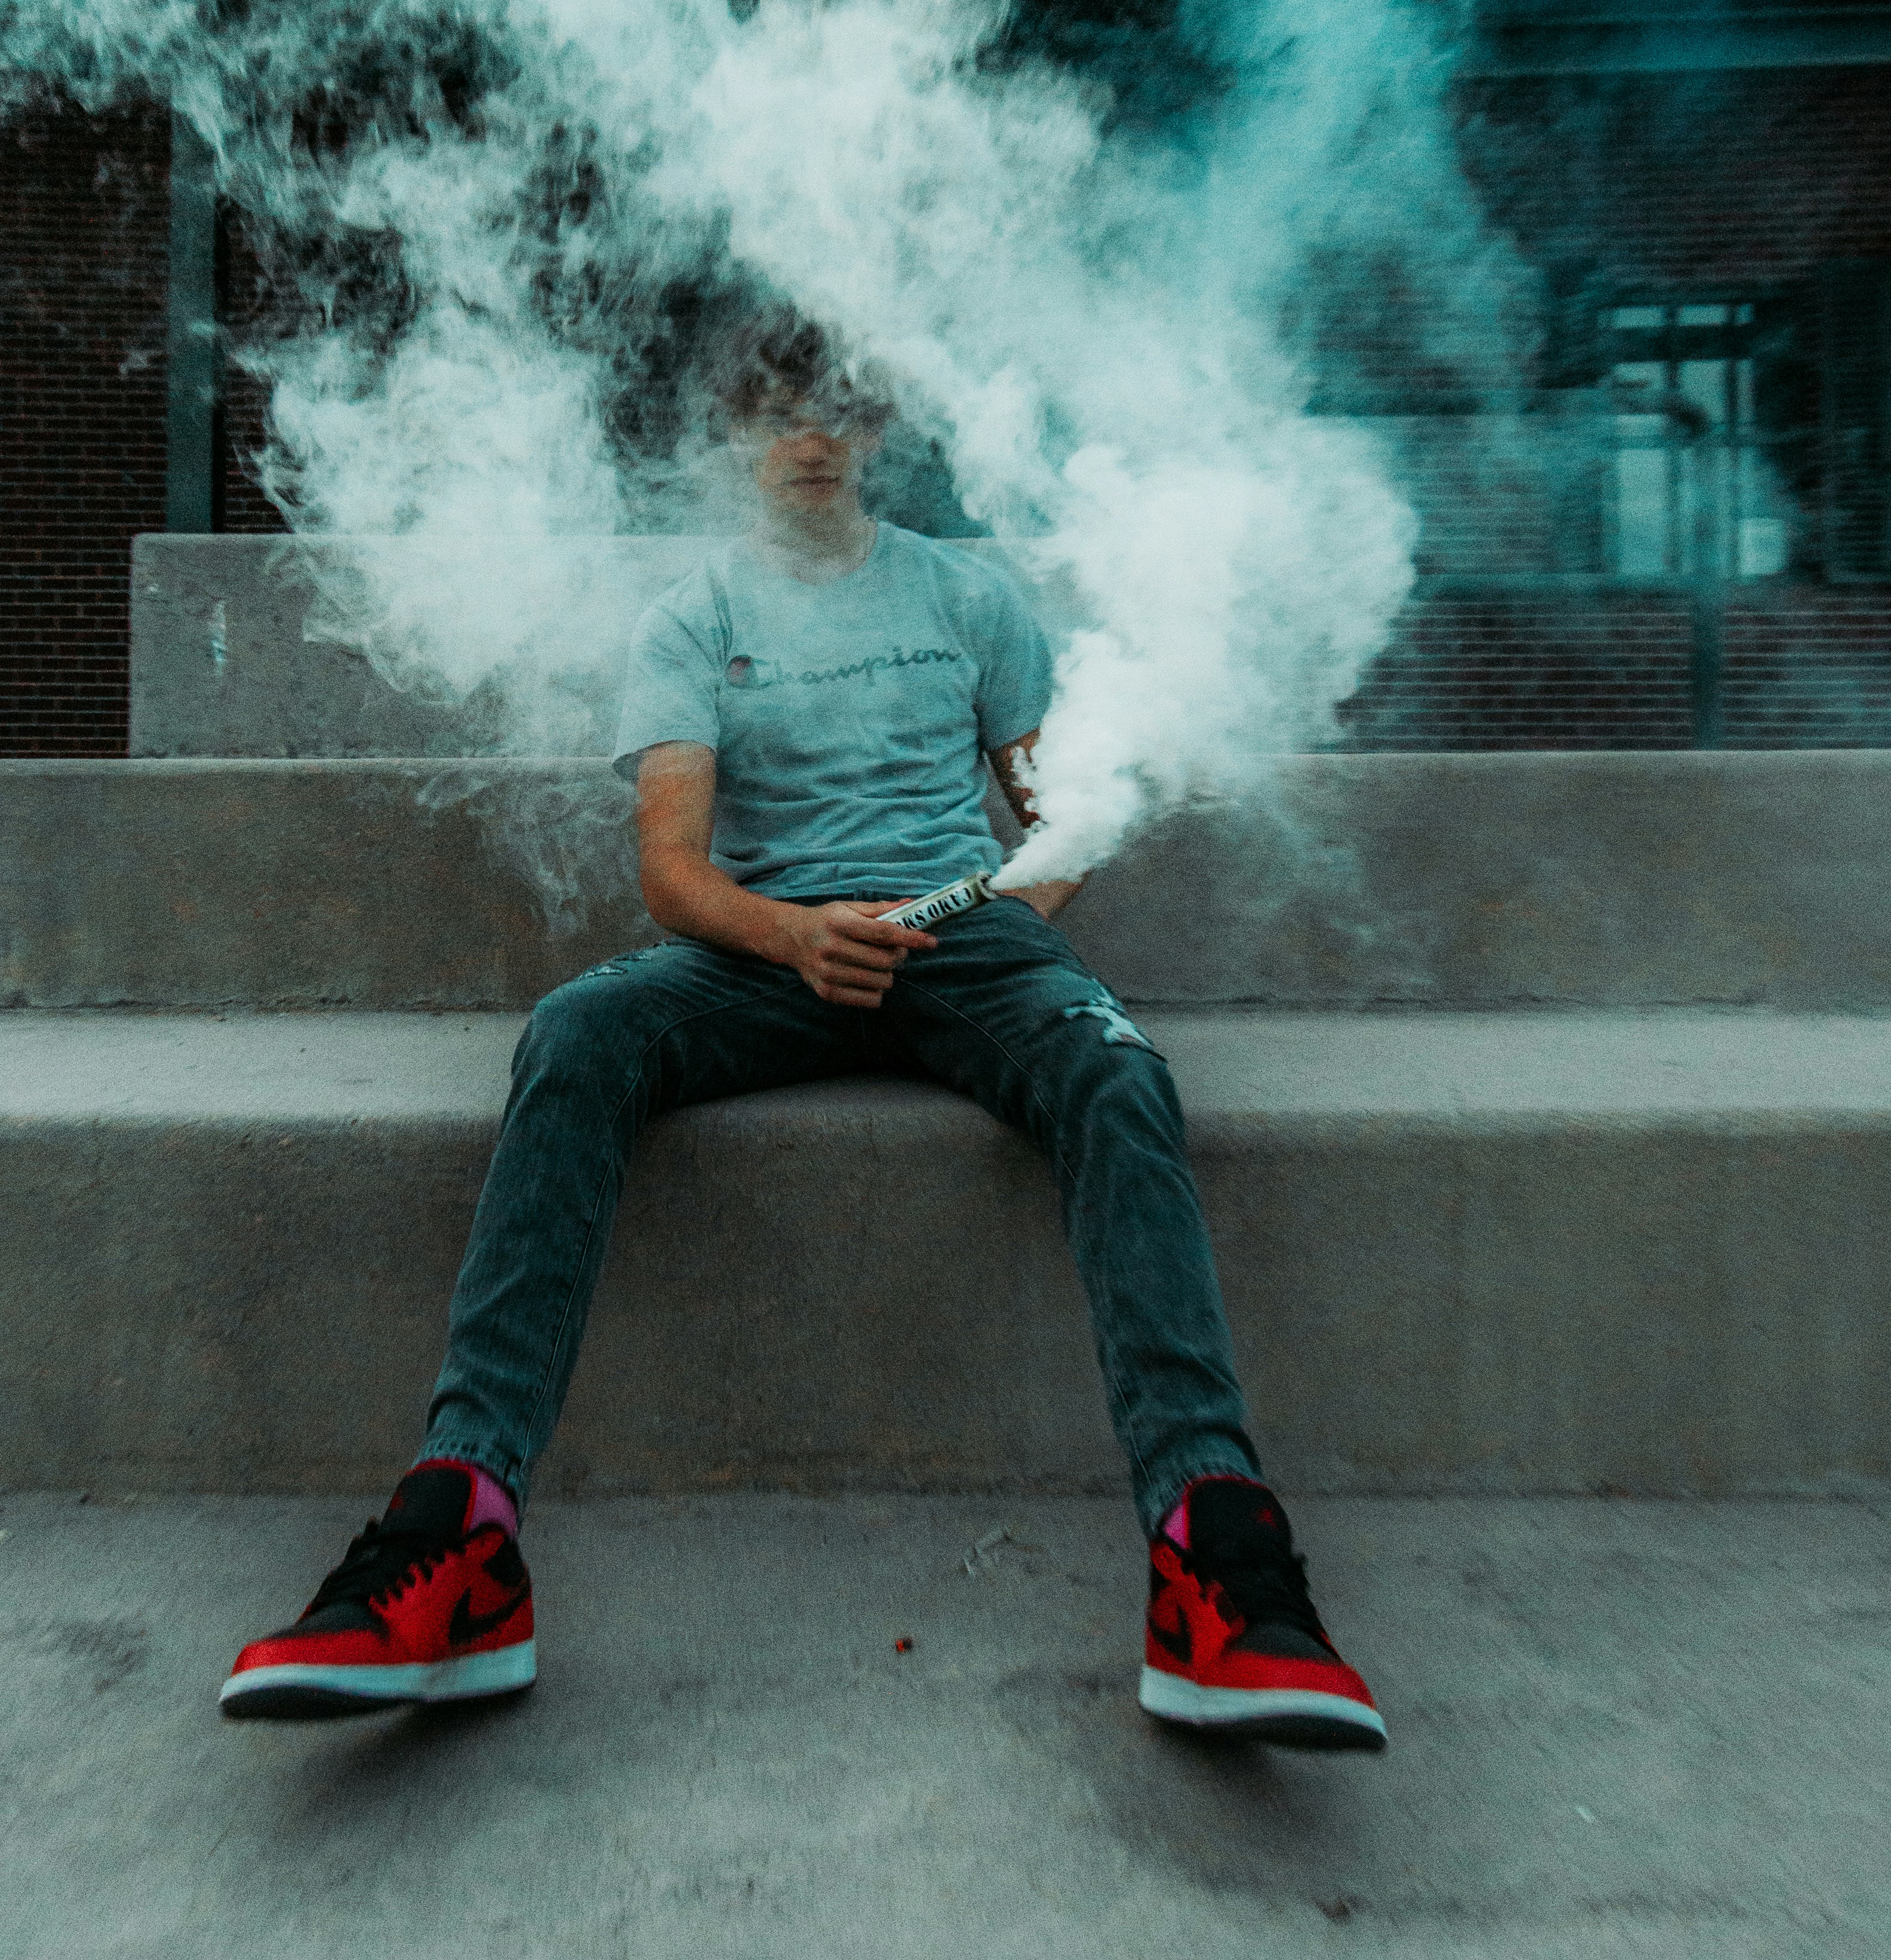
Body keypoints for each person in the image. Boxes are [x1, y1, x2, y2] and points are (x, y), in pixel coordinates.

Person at [222, 321, 1384, 1750]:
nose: (807, 434)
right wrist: (794, 934)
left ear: (875, 430)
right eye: (772, 411)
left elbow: (1056, 819)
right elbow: (671, 873)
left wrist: (984, 906)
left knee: (1121, 1072)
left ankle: (1216, 1550)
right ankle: (460, 1532)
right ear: (730, 439)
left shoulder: (968, 595)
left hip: (971, 950)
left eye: (834, 408)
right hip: (759, 954)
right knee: (577, 1032)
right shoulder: (691, 619)